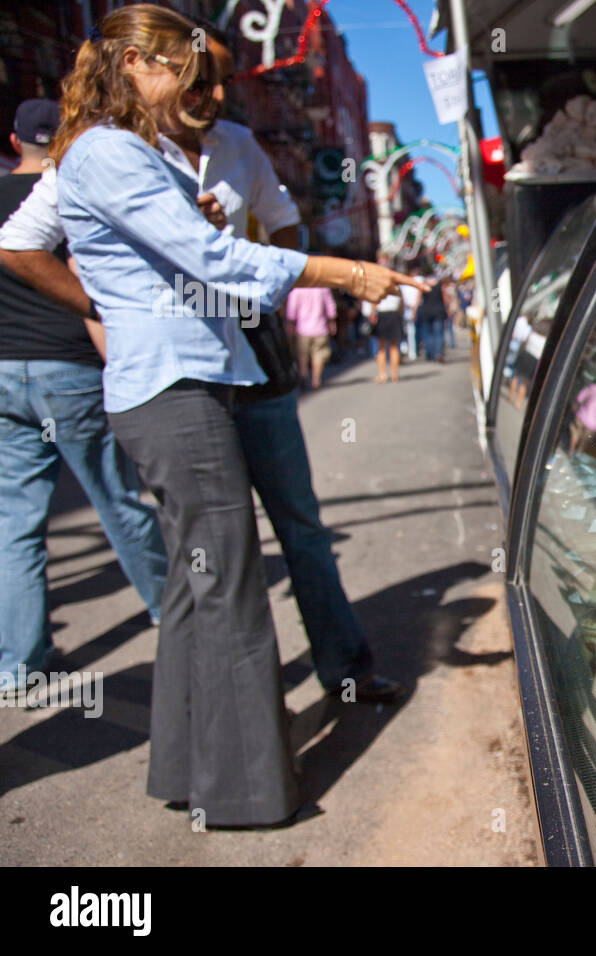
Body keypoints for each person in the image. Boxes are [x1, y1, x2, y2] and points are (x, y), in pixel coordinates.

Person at [47, 5, 426, 827]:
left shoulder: (121, 151)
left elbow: (192, 248)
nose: (202, 89)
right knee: (231, 589)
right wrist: (348, 274)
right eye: (186, 70)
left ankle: (186, 768)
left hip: (191, 375)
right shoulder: (111, 151)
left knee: (196, 584)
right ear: (139, 66)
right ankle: (247, 792)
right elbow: (211, 260)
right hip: (172, 384)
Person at [0, 99, 168, 684]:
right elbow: (93, 273)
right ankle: (175, 617)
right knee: (116, 500)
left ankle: (19, 665)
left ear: (15, 140)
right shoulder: (70, 192)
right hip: (66, 368)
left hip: (4, 372)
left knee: (16, 521)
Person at [361, 253, 405, 383]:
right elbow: (400, 295)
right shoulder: (394, 275)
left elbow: (374, 295)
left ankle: (383, 374)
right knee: (393, 346)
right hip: (392, 312)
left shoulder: (376, 275)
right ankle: (394, 374)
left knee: (383, 346)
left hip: (383, 313)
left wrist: (373, 312)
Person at [284, 286, 335, 389]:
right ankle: (316, 379)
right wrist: (331, 321)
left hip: (303, 328)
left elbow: (291, 309)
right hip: (320, 327)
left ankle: (303, 374)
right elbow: (330, 306)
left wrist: (290, 323)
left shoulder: (298, 289)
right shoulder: (322, 288)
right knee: (318, 354)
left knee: (303, 355)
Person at [418, 276, 452, 363]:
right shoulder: (440, 285)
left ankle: (430, 353)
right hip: (438, 311)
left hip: (426, 312)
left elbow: (418, 299)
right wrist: (448, 309)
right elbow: (446, 299)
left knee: (428, 334)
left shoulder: (424, 285)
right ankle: (438, 353)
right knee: (439, 333)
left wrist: (414, 311)